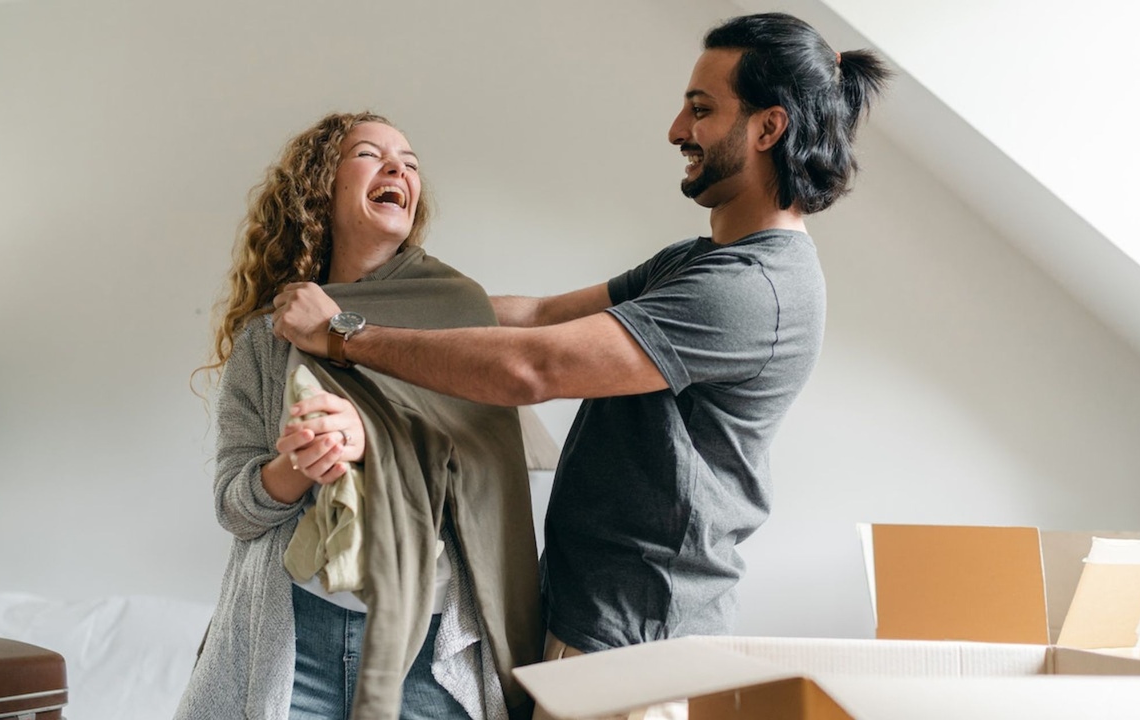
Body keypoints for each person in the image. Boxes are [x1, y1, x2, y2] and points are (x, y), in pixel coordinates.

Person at [274, 10, 890, 685]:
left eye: (701, 110)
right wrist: (363, 300)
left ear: (768, 128)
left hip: (632, 645)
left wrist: (344, 335)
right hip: (602, 623)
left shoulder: (753, 290)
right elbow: (533, 317)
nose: (676, 130)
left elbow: (532, 367)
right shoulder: (701, 261)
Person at [176, 111, 542, 720]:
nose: (399, 167)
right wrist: (294, 467)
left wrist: (371, 436)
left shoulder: (458, 309)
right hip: (294, 638)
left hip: (429, 652)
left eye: (411, 162)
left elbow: (487, 469)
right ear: (323, 187)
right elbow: (234, 507)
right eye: (370, 154)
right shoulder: (267, 339)